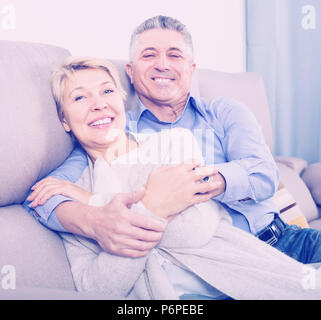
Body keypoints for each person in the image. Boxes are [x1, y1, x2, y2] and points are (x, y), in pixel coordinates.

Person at [24, 15, 321, 265]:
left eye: (175, 55)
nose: (162, 64)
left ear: (191, 70)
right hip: (221, 263)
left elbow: (264, 174)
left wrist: (196, 183)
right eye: (149, 55)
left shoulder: (225, 111)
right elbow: (43, 199)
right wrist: (94, 221)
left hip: (285, 238)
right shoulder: (113, 133)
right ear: (131, 70)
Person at [41, 56, 321, 299]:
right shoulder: (69, 195)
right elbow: (95, 288)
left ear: (121, 100)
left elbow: (193, 230)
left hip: (247, 282)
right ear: (64, 120)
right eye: (79, 97)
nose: (98, 104)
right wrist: (155, 206)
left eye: (107, 91)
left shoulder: (175, 142)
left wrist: (106, 209)